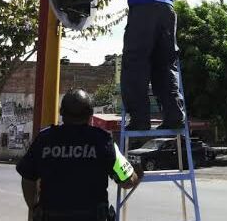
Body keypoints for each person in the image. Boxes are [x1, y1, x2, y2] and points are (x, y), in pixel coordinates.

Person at [89, 0, 185, 131]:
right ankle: (174, 115)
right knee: (163, 67)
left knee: (135, 63)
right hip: (166, 12)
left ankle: (140, 119)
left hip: (144, 11)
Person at [16, 89, 141, 221]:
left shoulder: (44, 139)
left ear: (61, 112)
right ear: (90, 114)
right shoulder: (102, 140)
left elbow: (27, 178)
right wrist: (138, 172)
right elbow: (127, 181)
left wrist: (34, 207)